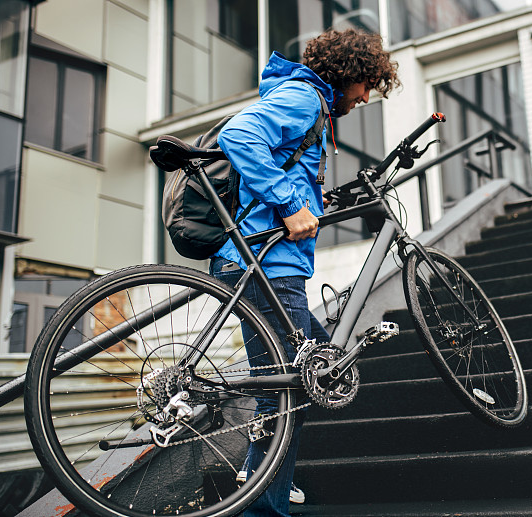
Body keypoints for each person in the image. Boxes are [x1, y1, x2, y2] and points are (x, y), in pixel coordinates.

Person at [209, 28, 399, 517]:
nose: (364, 98)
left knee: (318, 368)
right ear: (349, 74)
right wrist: (292, 204)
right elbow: (239, 135)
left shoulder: (304, 101)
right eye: (366, 85)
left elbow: (280, 161)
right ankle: (261, 505)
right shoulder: (304, 97)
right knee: (289, 387)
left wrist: (315, 200)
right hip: (266, 265)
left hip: (261, 262)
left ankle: (265, 479)